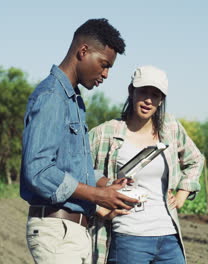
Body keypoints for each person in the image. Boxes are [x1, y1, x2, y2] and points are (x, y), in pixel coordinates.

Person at [20, 18, 139, 264]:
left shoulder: (74, 101)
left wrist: (107, 184)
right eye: (104, 65)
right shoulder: (52, 96)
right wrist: (97, 195)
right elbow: (39, 170)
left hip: (72, 232)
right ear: (83, 51)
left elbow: (72, 166)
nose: (105, 74)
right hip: (57, 231)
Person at [89, 65, 205, 264]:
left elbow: (195, 160)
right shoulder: (106, 133)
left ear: (161, 100)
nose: (148, 100)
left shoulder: (170, 128)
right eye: (143, 91)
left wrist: (182, 194)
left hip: (168, 236)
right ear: (131, 91)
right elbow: (75, 171)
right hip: (128, 237)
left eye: (156, 94)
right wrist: (100, 209)